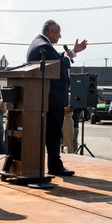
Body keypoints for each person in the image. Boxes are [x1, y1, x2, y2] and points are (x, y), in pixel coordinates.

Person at [26, 19, 88, 177]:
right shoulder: (44, 46)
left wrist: (73, 51)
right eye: (58, 33)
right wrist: (68, 58)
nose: (60, 37)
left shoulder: (39, 44)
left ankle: (54, 163)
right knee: (53, 134)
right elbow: (59, 64)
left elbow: (56, 59)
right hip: (52, 99)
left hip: (45, 97)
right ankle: (54, 164)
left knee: (52, 134)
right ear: (51, 32)